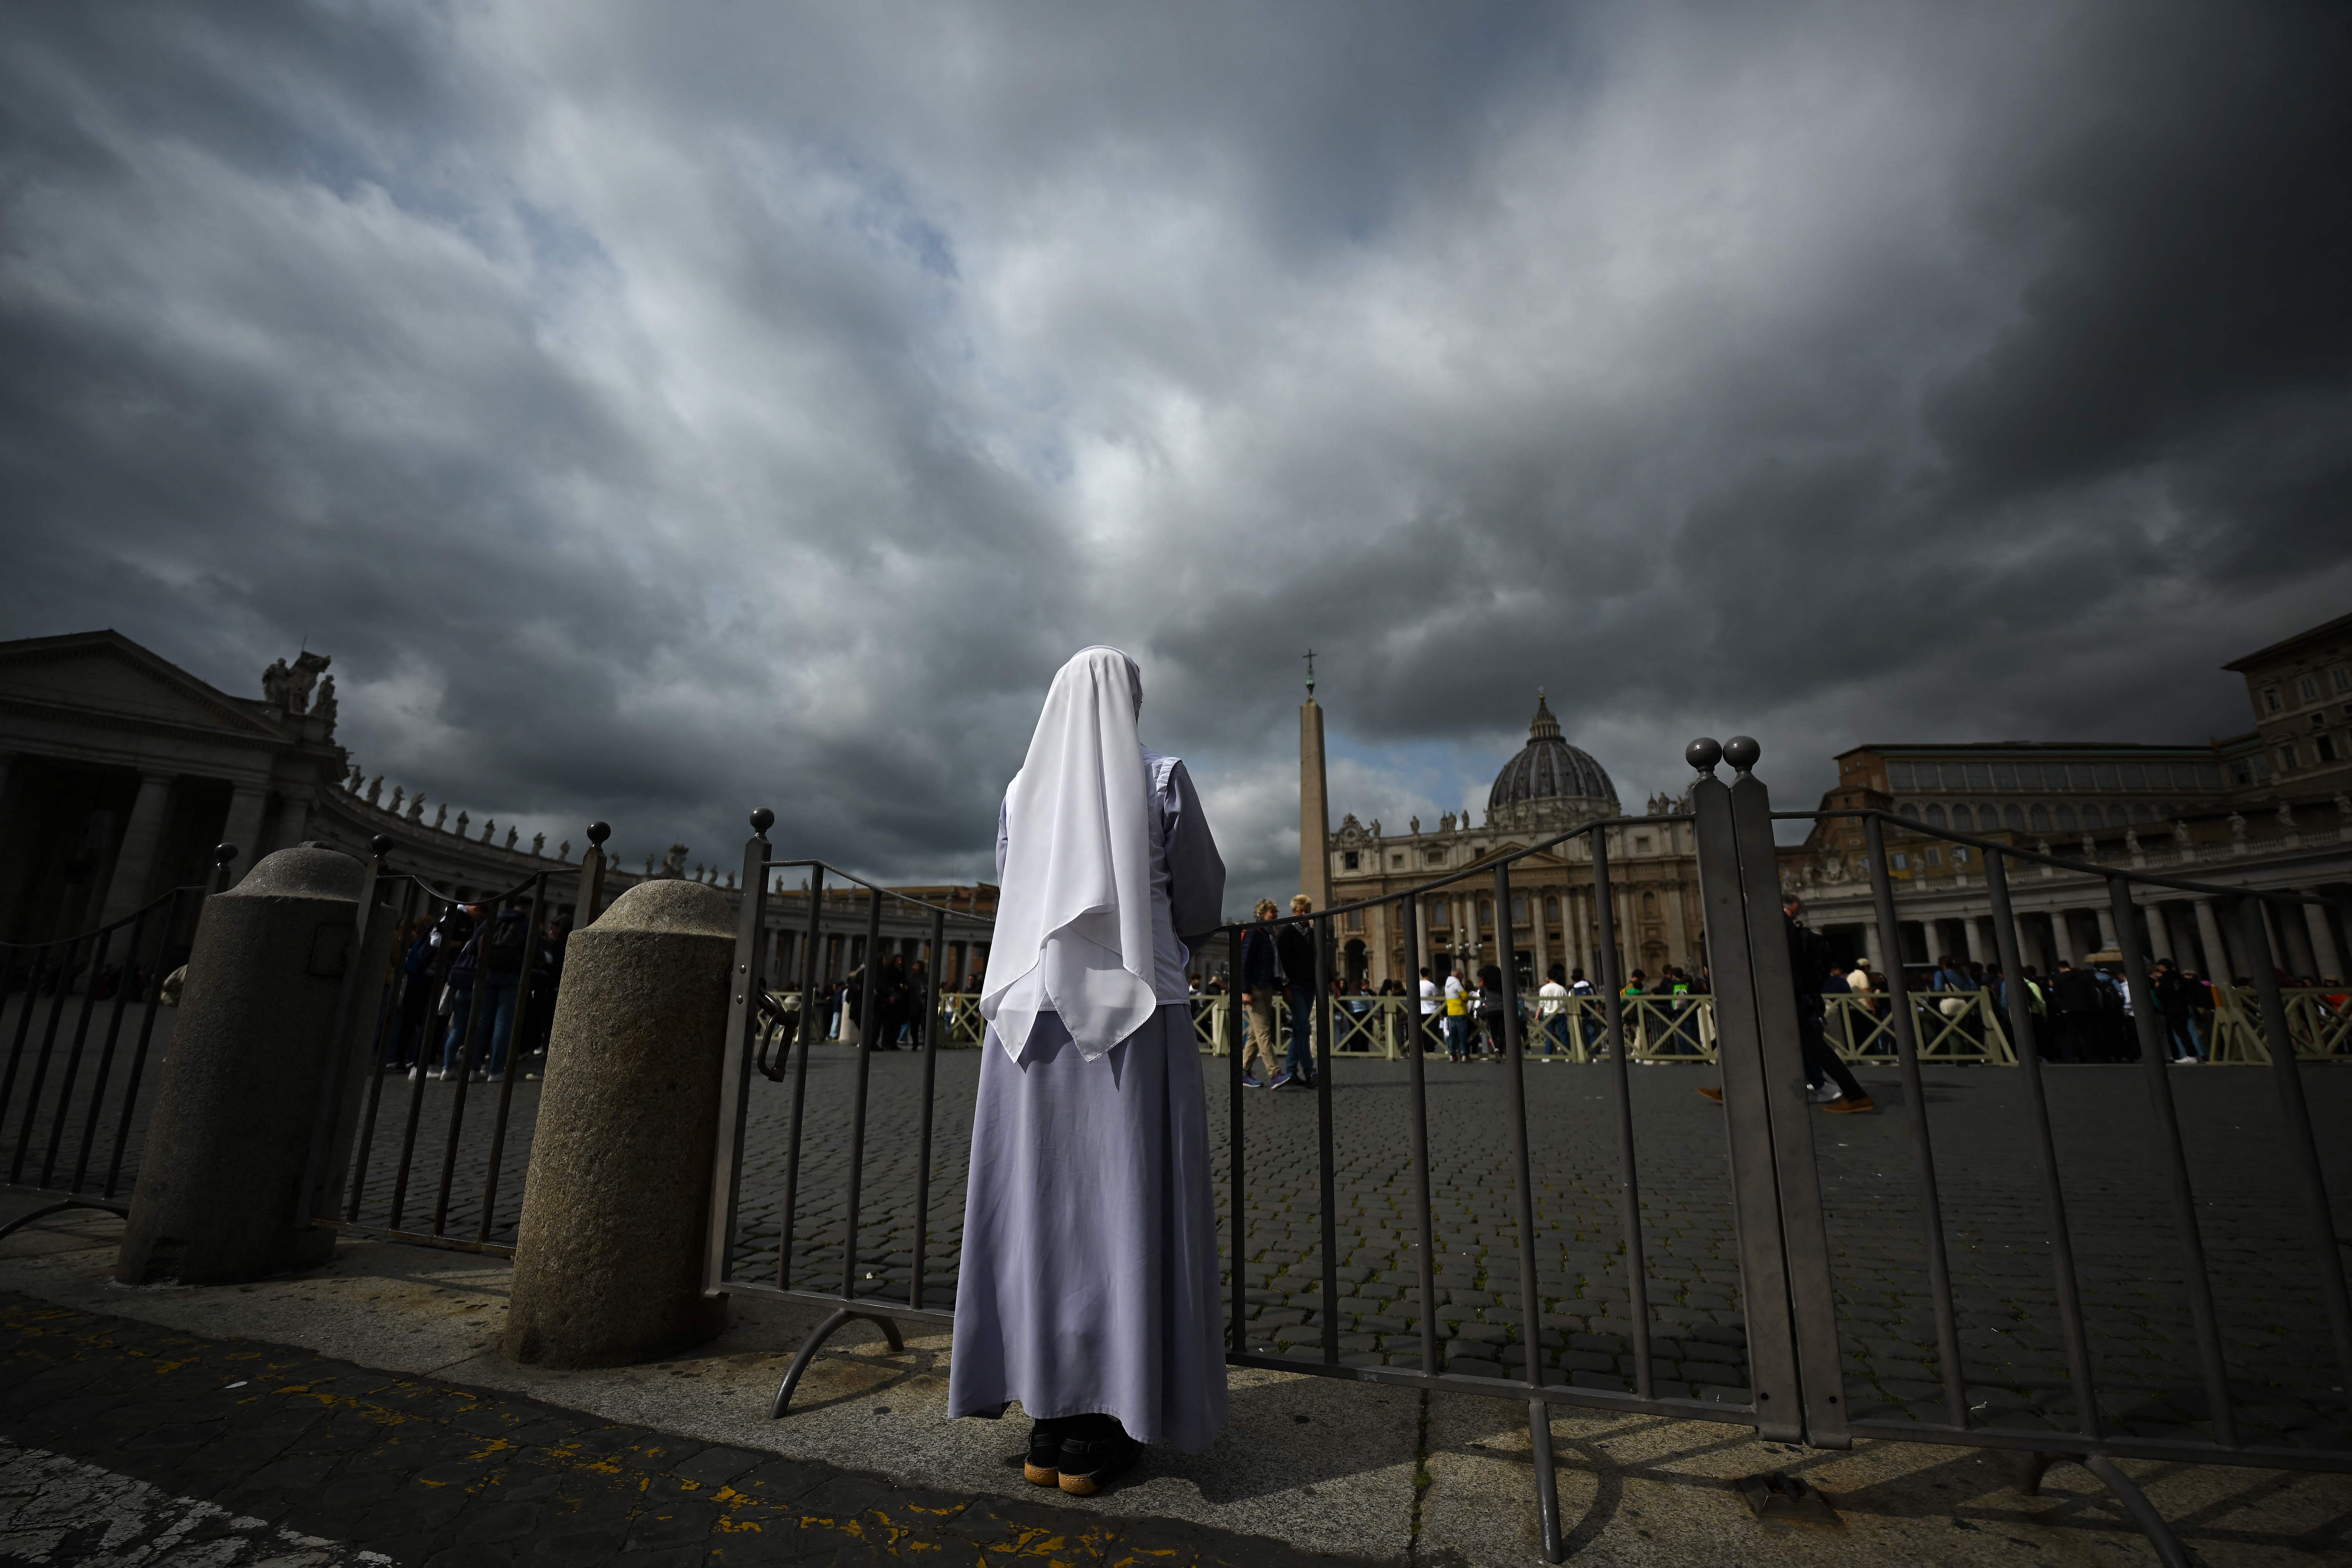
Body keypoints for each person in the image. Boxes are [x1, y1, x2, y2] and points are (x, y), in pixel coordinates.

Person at [949, 646, 1227, 1494]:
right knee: (1129, 1210)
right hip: (1141, 1012)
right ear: (1132, 703)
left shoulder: (1019, 791)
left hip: (1029, 1025)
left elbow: (1012, 885)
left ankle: (1048, 1416)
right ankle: (1112, 1416)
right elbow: (1201, 898)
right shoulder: (1165, 777)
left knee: (1040, 1214)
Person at [1700, 895, 1872, 1113]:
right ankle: (1730, 1091)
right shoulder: (1785, 928)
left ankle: (1853, 1094)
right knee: (1771, 1046)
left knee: (1812, 1049)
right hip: (1790, 1000)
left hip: (1783, 1001)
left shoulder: (1776, 928)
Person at [1274, 896, 1320, 1089]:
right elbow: (1281, 963)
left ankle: (1292, 1072)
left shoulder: (1312, 933)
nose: (1303, 914)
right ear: (1294, 912)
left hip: (1309, 986)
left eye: (1306, 911)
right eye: (1300, 911)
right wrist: (1284, 988)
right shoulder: (1286, 932)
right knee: (1305, 1026)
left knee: (1300, 1031)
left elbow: (1319, 959)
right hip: (1294, 987)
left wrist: (1332, 982)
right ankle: (1310, 1072)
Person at [1238, 899, 1283, 1087]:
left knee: (1255, 1034)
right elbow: (1245, 963)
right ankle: (1275, 1073)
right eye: (1271, 912)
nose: (1274, 915)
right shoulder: (1253, 932)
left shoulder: (1269, 934)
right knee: (1264, 1031)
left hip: (1266, 987)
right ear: (1262, 913)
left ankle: (1242, 1072)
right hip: (1255, 988)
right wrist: (1245, 990)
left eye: (1276, 912)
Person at [1537, 962, 1571, 1058]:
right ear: (1557, 978)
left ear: (1547, 978)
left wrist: (1537, 1015)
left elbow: (1542, 1003)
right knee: (1563, 1034)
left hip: (1549, 1014)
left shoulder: (1543, 989)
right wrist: (1567, 1012)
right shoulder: (1562, 989)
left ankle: (1548, 1055)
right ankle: (1567, 1055)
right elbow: (1566, 1002)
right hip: (1560, 1013)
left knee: (1550, 1035)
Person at [1442, 965, 1470, 1061]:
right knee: (1463, 1034)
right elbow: (1465, 997)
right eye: (1462, 975)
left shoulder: (1447, 983)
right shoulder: (1457, 983)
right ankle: (1465, 1055)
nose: (1463, 977)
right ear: (1458, 975)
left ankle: (1453, 1055)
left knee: (1453, 1034)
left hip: (1451, 1012)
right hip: (1460, 1011)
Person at [1417, 965, 1440, 1056]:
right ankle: (1431, 1050)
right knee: (1433, 1031)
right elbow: (1437, 998)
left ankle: (1426, 1049)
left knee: (1424, 1032)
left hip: (1421, 1011)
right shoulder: (1431, 985)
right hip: (1431, 1011)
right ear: (1429, 974)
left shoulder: (1418, 984)